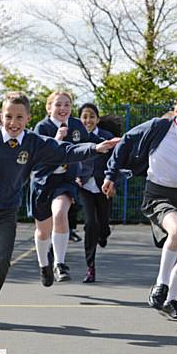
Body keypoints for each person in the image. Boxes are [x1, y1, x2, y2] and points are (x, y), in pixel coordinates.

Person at [0, 91, 119, 330]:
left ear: (28, 118)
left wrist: (96, 148)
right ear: (2, 117)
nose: (13, 123)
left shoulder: (32, 142)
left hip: (8, 209)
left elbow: (65, 151)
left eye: (19, 117)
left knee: (2, 261)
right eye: (9, 116)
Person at [103, 90, 177, 322]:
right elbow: (127, 139)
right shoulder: (159, 127)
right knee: (176, 231)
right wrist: (110, 175)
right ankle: (160, 286)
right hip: (158, 193)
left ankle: (170, 301)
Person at [30, 91, 99, 282]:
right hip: (44, 182)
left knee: (60, 213)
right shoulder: (41, 127)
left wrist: (81, 176)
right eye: (58, 105)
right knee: (43, 231)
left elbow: (86, 151)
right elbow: (38, 158)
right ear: (49, 107)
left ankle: (59, 263)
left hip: (65, 181)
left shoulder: (76, 126)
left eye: (67, 105)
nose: (63, 109)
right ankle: (44, 264)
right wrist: (57, 140)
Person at [76, 103, 120, 283]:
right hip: (84, 186)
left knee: (103, 224)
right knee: (90, 224)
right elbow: (69, 157)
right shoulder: (76, 137)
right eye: (84, 116)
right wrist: (75, 175)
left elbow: (116, 162)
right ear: (79, 119)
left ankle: (104, 233)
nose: (88, 120)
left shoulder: (106, 137)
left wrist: (113, 182)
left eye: (91, 116)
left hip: (103, 186)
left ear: (98, 119)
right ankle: (90, 267)